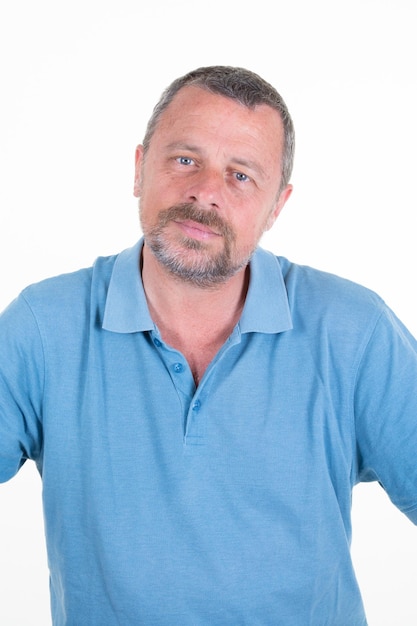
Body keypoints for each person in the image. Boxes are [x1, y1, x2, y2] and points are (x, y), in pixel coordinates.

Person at [0, 65, 416, 626]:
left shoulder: (355, 331)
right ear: (140, 167)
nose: (205, 193)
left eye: (241, 175)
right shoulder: (42, 327)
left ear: (277, 206)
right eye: (185, 160)